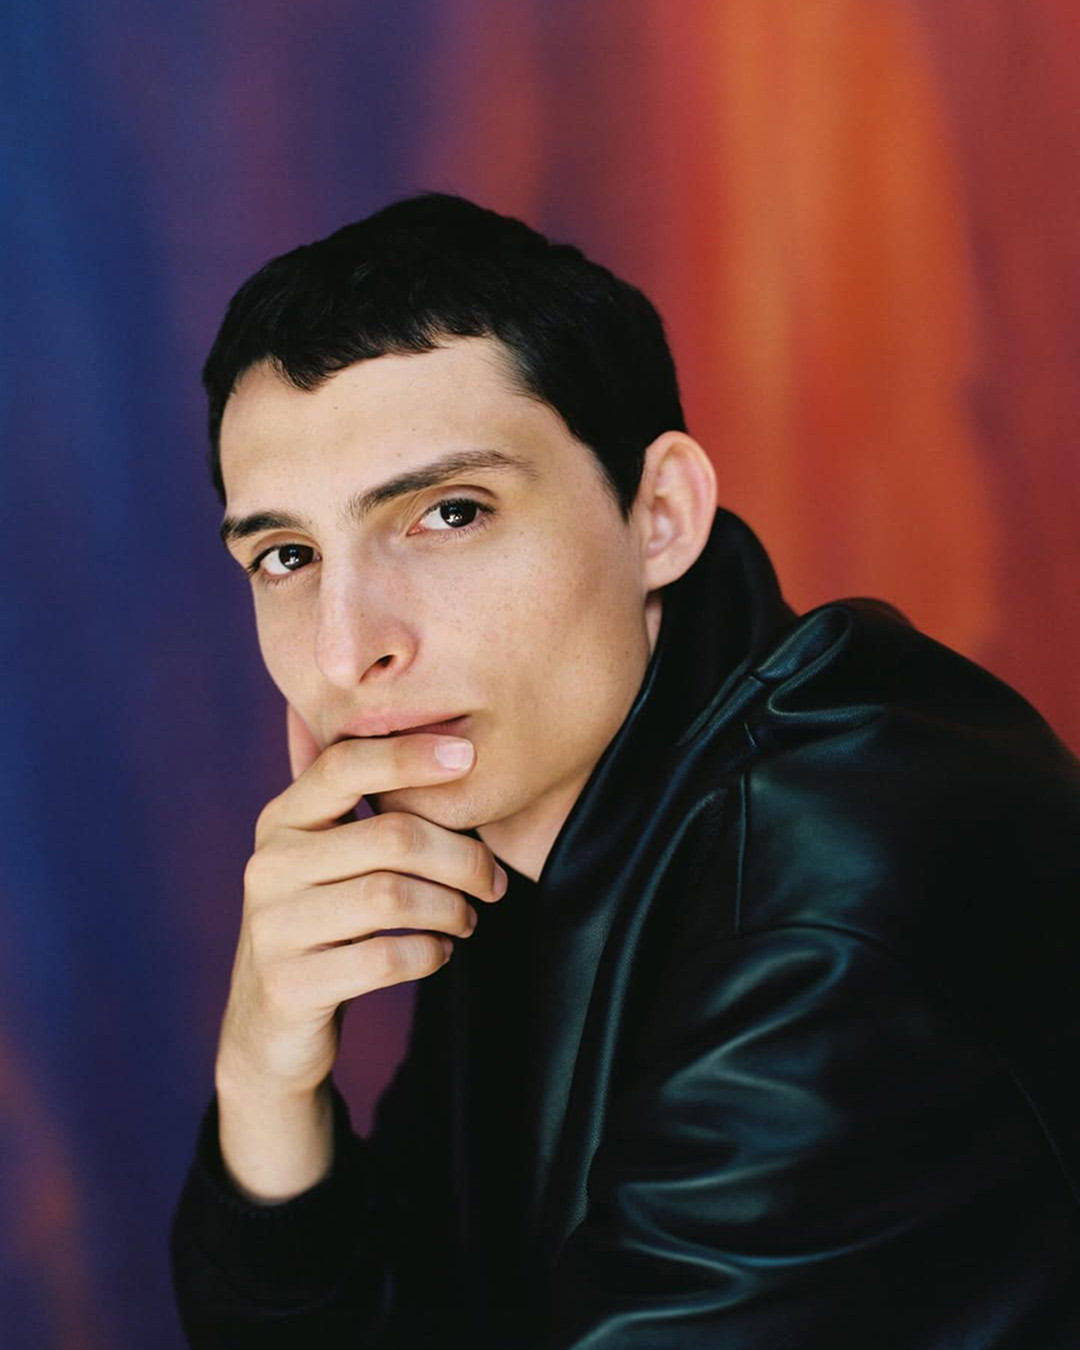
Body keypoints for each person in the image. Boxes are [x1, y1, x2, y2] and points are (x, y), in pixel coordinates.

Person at [170, 193, 1080, 1349]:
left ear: (659, 516)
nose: (350, 651)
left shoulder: (817, 895)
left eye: (450, 513)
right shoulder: (527, 804)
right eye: (287, 554)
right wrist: (264, 1077)